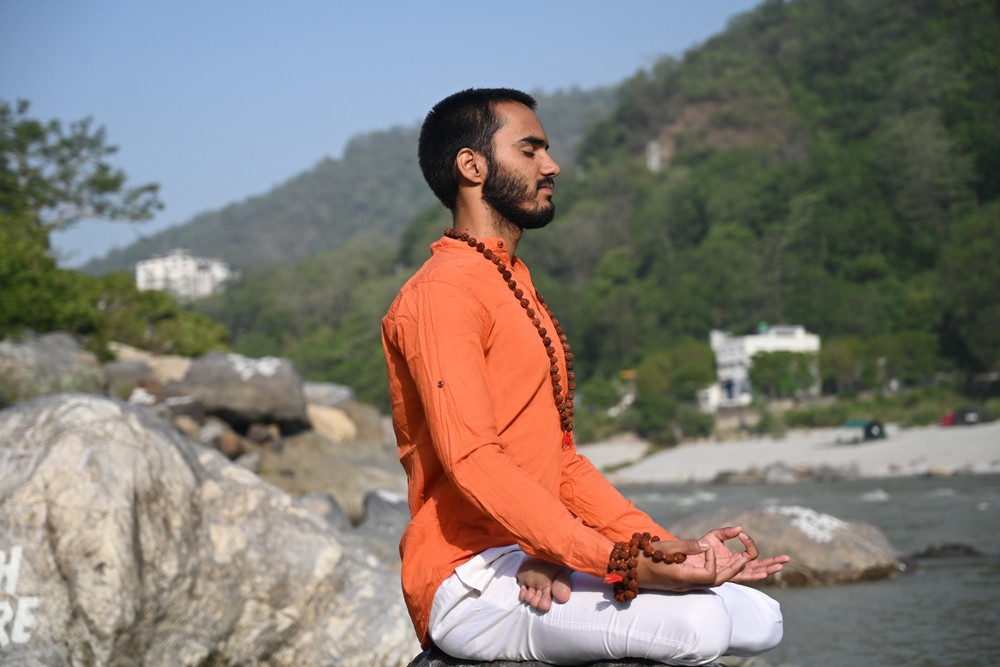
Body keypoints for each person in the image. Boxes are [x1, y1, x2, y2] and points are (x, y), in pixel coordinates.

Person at [381, 88, 790, 666]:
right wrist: (610, 561)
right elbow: (474, 460)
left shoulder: (510, 279)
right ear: (471, 166)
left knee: (757, 615)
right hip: (469, 573)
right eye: (530, 150)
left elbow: (562, 463)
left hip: (534, 553)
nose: (552, 166)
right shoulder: (443, 294)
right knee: (699, 624)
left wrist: (661, 547)